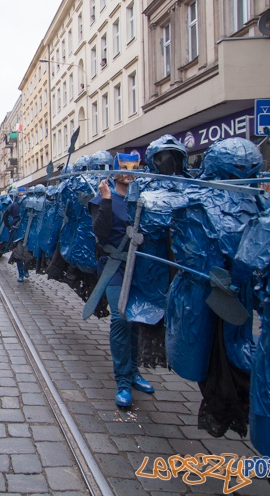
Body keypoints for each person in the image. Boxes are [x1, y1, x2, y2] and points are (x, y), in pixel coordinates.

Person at [88, 154, 154, 408]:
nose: (129, 173)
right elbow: (101, 232)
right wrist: (105, 198)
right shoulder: (101, 200)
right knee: (120, 318)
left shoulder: (143, 201)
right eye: (124, 169)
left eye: (134, 169)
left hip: (140, 267)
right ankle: (123, 381)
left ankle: (135, 371)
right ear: (113, 172)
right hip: (113, 266)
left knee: (136, 318)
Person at [3, 188, 26, 281]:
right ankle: (21, 273)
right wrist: (9, 227)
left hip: (29, 233)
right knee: (18, 253)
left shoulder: (31, 205)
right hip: (17, 231)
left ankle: (25, 269)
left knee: (29, 252)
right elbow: (5, 216)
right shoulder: (14, 205)